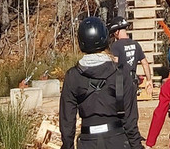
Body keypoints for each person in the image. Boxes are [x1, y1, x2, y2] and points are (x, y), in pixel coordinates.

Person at [60, 16, 144, 149]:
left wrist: (67, 145)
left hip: (88, 141)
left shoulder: (73, 76)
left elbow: (67, 120)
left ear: (81, 42)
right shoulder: (121, 73)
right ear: (105, 39)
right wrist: (137, 146)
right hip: (117, 140)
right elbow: (130, 119)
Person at [108, 17, 153, 94]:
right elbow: (145, 63)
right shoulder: (136, 44)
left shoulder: (116, 46)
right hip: (133, 82)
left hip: (121, 83)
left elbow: (114, 64)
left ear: (117, 31)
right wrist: (149, 80)